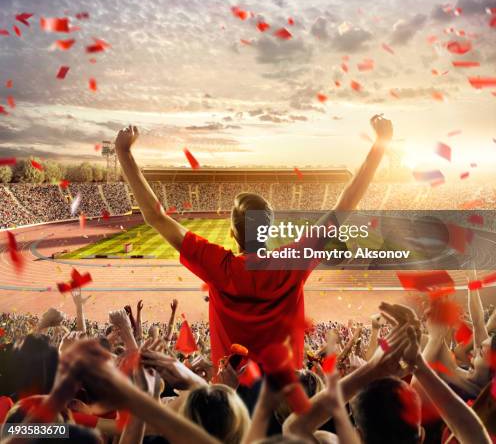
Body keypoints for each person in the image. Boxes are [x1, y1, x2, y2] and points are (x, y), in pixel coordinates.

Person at [115, 115, 393, 367]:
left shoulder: (219, 265)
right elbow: (345, 205)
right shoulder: (292, 261)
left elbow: (156, 216)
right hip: (287, 399)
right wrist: (380, 144)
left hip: (232, 397)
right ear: (268, 232)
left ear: (233, 233)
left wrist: (124, 152)